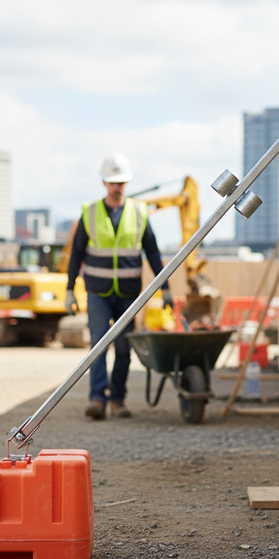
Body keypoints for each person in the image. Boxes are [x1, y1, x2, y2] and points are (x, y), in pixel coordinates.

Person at [66, 152, 173, 420]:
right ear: (104, 183)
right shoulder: (90, 212)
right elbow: (76, 253)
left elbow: (153, 252)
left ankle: (117, 399)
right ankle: (97, 398)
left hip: (128, 293)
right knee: (98, 347)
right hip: (97, 292)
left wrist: (166, 287)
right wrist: (69, 289)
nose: (117, 187)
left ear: (127, 183)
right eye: (113, 183)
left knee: (124, 349)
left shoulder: (139, 212)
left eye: (121, 183)